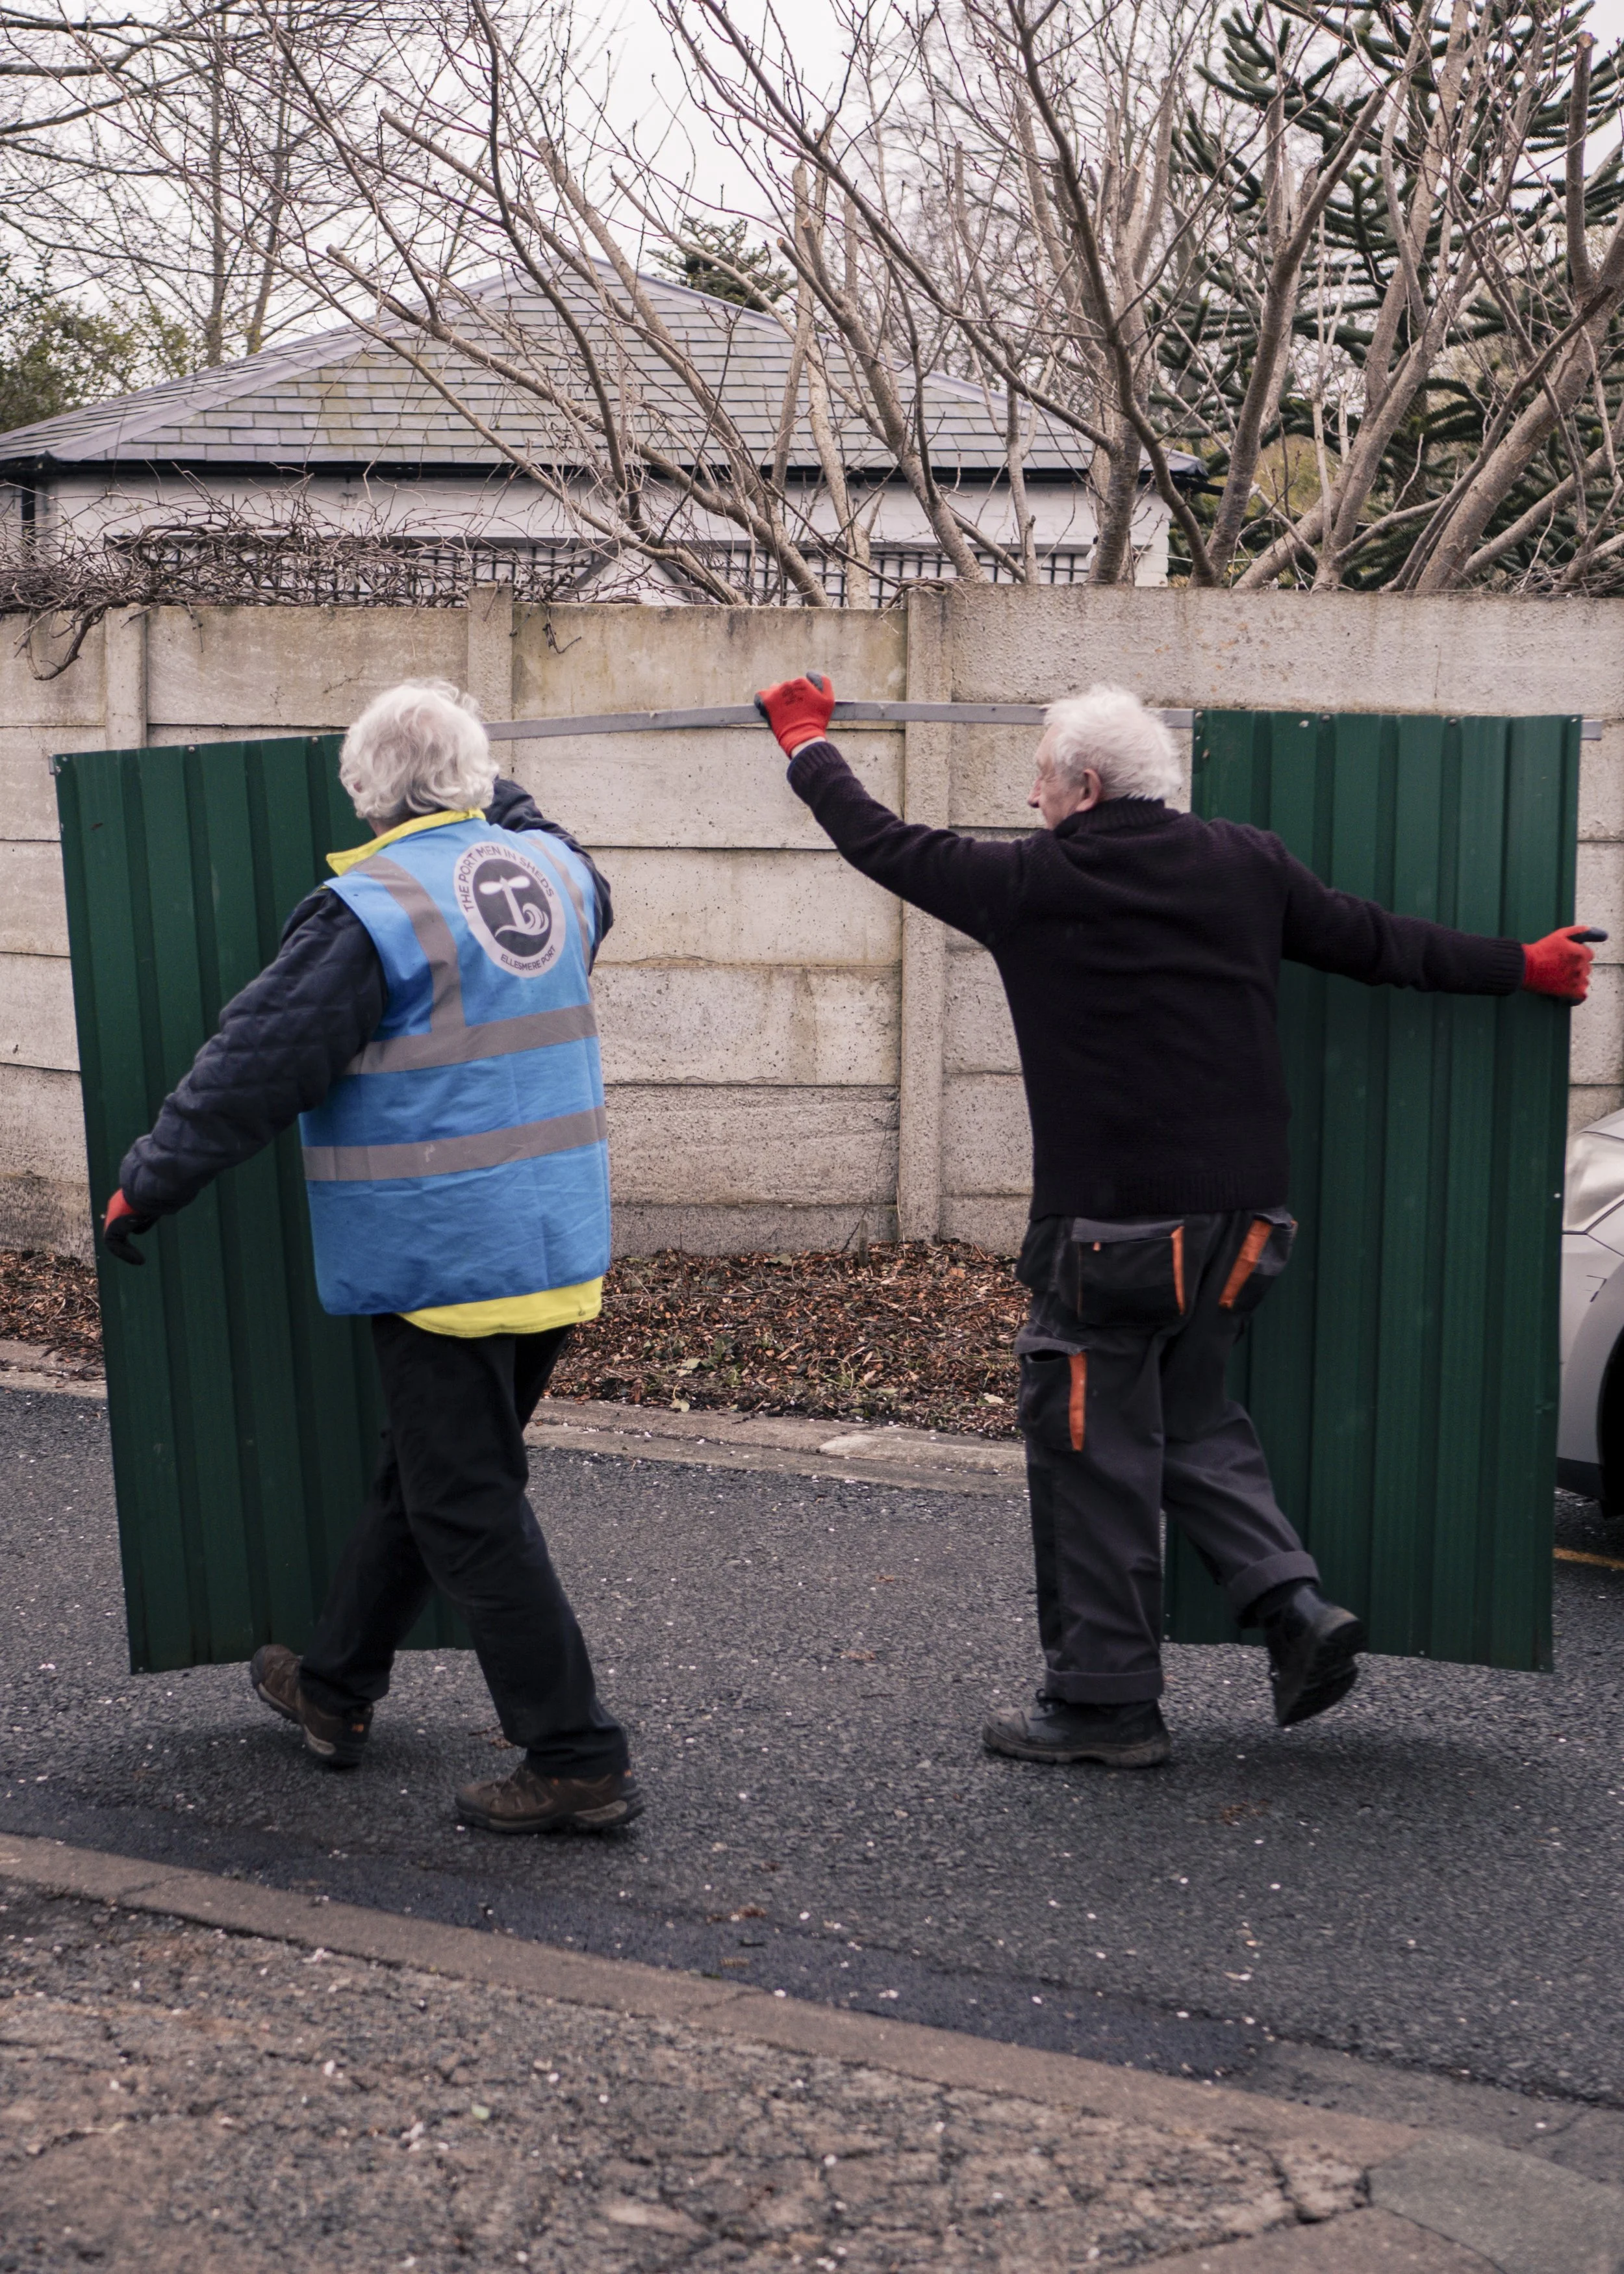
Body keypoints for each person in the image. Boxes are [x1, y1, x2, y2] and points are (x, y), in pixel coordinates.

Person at [754, 672, 1596, 1769]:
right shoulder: (1246, 861)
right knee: (1191, 1423)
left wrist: (805, 739)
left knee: (1091, 1447)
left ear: (1087, 789)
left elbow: (878, 839)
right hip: (1246, 1225)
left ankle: (1105, 1708)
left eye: (1041, 786)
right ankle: (1293, 1608)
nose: (1031, 803)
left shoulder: (1032, 881)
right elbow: (1373, 941)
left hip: (1113, 1234)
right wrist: (1520, 967)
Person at [101, 680, 640, 1835]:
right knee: (432, 1478)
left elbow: (259, 1060)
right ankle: (336, 1688)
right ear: (480, 781)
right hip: (556, 1246)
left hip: (449, 1261)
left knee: (466, 1502)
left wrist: (151, 1179)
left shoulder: (372, 908)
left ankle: (577, 1754)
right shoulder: (556, 875)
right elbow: (543, 828)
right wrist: (485, 777)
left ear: (363, 791)